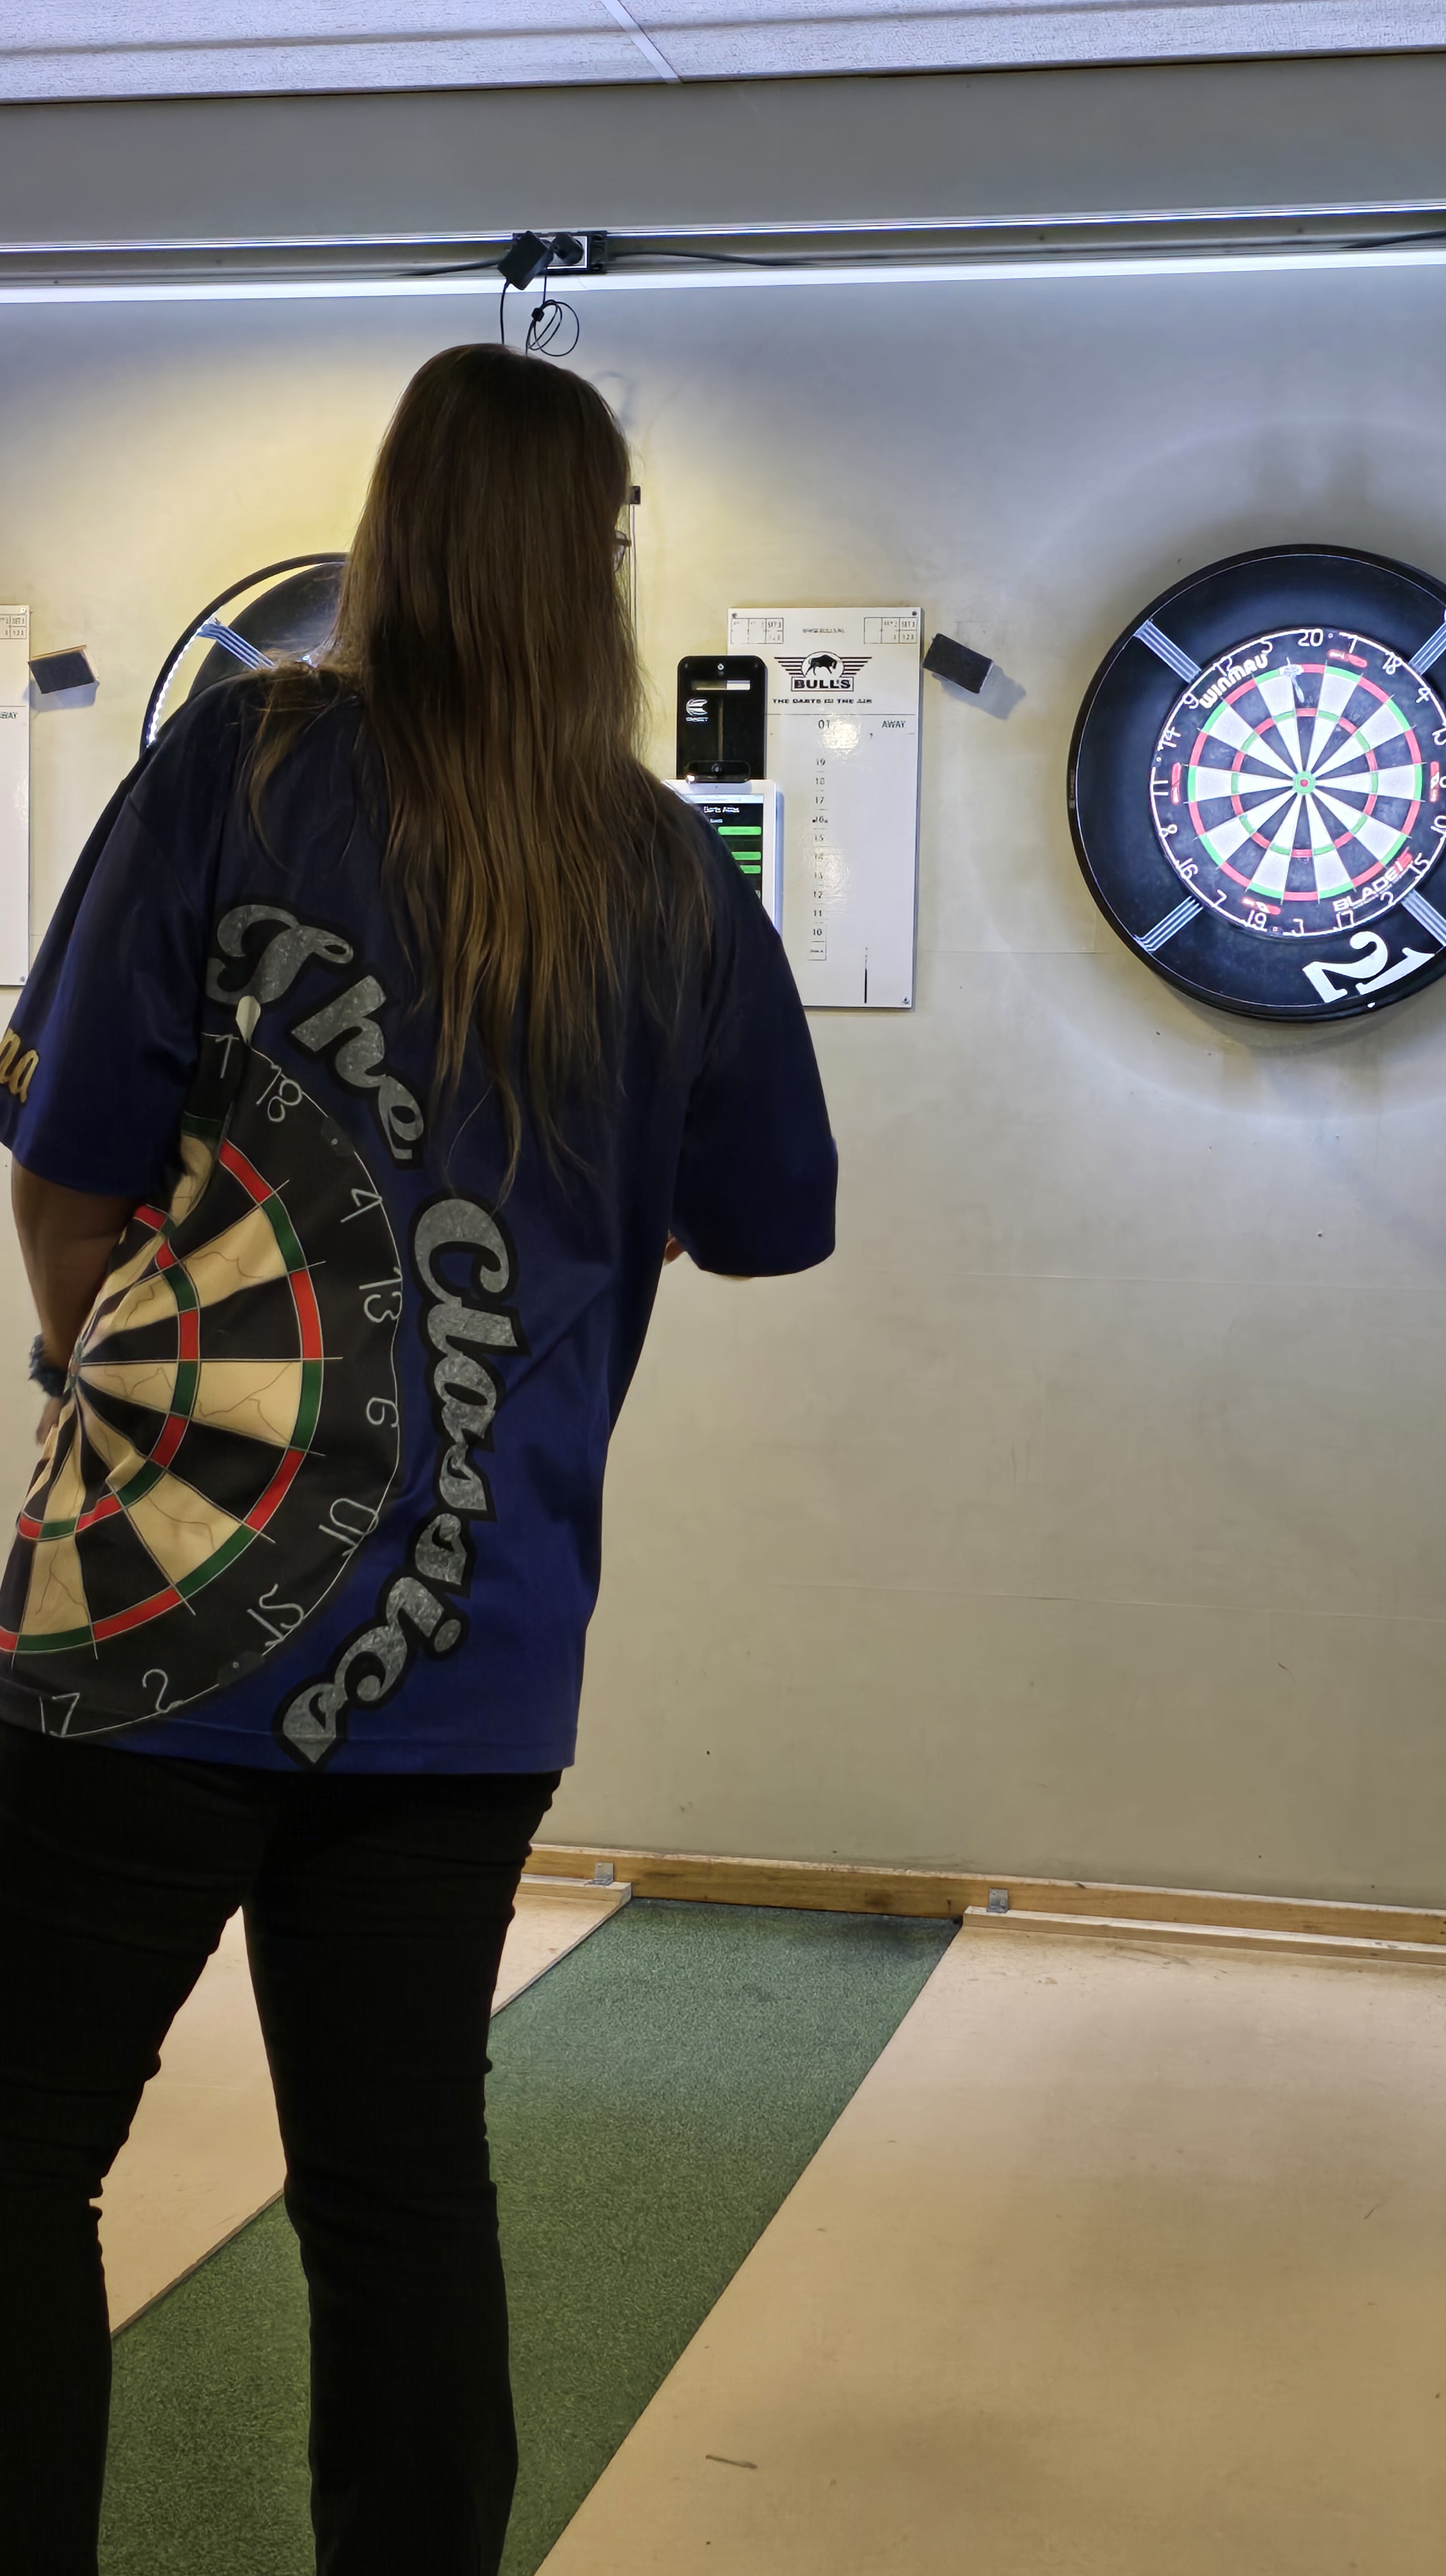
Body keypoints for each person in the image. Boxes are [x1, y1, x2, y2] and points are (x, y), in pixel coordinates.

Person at [0, 344, 837, 2572]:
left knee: (20, 2148)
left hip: (154, 1609)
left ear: (388, 524)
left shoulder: (242, 762)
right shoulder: (659, 868)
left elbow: (69, 1146)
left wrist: (95, 1361)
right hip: (472, 1635)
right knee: (395, 2187)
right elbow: (770, 1212)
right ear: (599, 563)